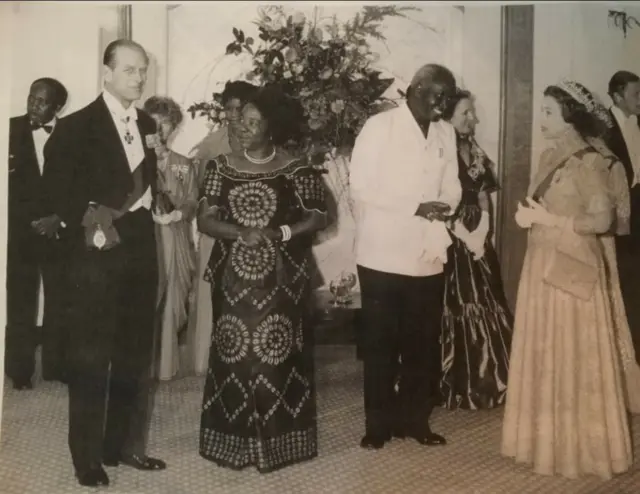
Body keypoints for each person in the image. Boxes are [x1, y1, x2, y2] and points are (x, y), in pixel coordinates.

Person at [42, 39, 166, 487]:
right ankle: (87, 458)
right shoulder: (76, 127)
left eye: (142, 70)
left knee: (134, 353)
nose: (138, 78)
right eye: (130, 70)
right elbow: (54, 191)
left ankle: (122, 447)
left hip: (140, 247)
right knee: (92, 357)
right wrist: (94, 212)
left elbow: (149, 182)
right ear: (107, 73)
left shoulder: (149, 122)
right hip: (95, 251)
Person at [501, 80, 632, 479]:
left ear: (568, 116)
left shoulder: (590, 162)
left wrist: (548, 219)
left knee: (572, 355)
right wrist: (529, 218)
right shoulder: (548, 156)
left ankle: (581, 451)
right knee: (546, 353)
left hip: (572, 269)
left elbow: (603, 220)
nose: (540, 119)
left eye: (548, 112)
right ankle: (543, 445)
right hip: (542, 263)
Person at [197, 85, 328, 473]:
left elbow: (319, 217)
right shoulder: (219, 167)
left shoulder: (296, 167)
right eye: (242, 121)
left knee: (276, 358)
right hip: (232, 279)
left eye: (255, 123)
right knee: (234, 356)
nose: (244, 128)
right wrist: (241, 233)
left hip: (282, 279)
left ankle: (278, 444)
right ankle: (233, 443)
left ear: (273, 128)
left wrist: (280, 233)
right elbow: (204, 219)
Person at [349, 63, 461, 450]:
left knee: (422, 342)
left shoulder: (446, 132)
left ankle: (416, 421)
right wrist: (415, 206)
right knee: (381, 342)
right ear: (414, 89)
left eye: (449, 97)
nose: (444, 105)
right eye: (438, 95)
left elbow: (454, 185)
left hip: (428, 252)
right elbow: (361, 186)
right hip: (382, 252)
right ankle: (378, 425)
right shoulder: (379, 127)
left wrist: (444, 205)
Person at [440, 89, 513, 410]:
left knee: (488, 296)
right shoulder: (438, 151)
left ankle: (491, 378)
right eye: (465, 113)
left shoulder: (476, 151)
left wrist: (483, 230)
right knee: (456, 300)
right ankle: (456, 382)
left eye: (472, 113)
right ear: (448, 117)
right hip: (447, 232)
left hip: (475, 232)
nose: (473, 119)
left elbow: (484, 194)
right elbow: (438, 198)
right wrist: (459, 233)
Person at [188, 80, 258, 376]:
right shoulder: (211, 144)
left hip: (252, 230)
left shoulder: (262, 141)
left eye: (238, 108)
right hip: (216, 228)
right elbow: (202, 192)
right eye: (227, 108)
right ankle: (205, 362)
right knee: (208, 292)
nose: (231, 114)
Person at [6, 77, 69, 389]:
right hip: (20, 232)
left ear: (57, 107)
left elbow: (80, 184)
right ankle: (18, 371)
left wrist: (58, 218)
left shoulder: (73, 134)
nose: (33, 104)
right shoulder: (9, 128)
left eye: (42, 101)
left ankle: (57, 367)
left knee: (60, 298)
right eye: (32, 97)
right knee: (20, 299)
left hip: (57, 229)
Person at [143, 96, 198, 381]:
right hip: (146, 238)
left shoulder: (184, 164)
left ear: (173, 129)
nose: (159, 132)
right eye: (153, 125)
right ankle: (143, 367)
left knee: (174, 299)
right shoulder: (137, 162)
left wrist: (177, 215)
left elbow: (191, 199)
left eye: (164, 126)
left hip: (174, 238)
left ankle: (165, 367)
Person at [604, 70, 640, 356]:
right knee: (623, 276)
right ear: (617, 96)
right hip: (618, 211)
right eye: (636, 94)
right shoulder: (602, 126)